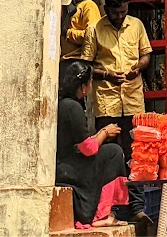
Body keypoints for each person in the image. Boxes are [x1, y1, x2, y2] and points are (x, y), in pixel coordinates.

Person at [83, 0, 151, 228]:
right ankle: (109, 210)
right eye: (115, 13)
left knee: (137, 157)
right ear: (106, 9)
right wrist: (107, 75)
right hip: (107, 102)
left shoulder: (137, 26)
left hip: (133, 100)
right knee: (110, 156)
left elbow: (146, 55)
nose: (120, 16)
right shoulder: (95, 29)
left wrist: (138, 68)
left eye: (123, 11)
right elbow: (86, 67)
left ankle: (137, 209)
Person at [55, 60, 130, 227]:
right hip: (69, 168)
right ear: (83, 86)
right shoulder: (72, 107)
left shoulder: (63, 104)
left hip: (63, 165)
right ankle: (103, 214)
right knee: (114, 152)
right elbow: (88, 149)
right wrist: (105, 132)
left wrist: (98, 135)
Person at [60, 0, 101, 64]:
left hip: (77, 61)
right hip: (64, 60)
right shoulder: (67, 5)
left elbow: (91, 36)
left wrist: (68, 33)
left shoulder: (89, 6)